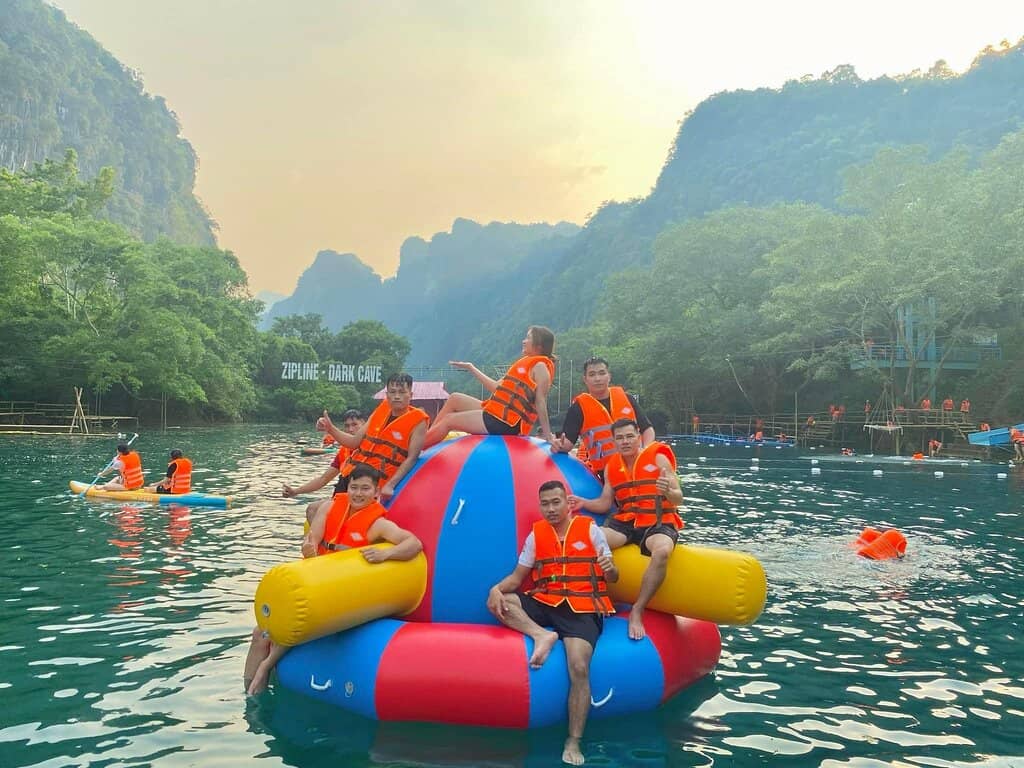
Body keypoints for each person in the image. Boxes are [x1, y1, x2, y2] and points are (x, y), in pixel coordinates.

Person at [244, 464, 423, 695]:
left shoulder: (378, 524)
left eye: (365, 489)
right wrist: (310, 548)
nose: (358, 494)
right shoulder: (329, 507)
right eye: (354, 487)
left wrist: (385, 554)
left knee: (283, 629)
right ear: (347, 488)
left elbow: (413, 544)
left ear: (376, 492)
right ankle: (249, 691)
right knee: (259, 633)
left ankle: (265, 668)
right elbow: (314, 536)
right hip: (319, 580)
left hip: (345, 594)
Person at [487, 480, 616, 767]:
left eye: (556, 502)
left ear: (567, 503)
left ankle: (574, 739)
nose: (550, 509)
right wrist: (497, 588)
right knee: (500, 600)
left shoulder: (590, 530)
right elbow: (518, 577)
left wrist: (611, 570)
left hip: (582, 608)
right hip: (547, 603)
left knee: (579, 666)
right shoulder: (536, 534)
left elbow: (613, 577)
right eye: (545, 503)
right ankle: (540, 635)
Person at [569, 419, 683, 641]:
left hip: (657, 521)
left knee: (661, 551)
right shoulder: (613, 466)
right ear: (614, 441)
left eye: (629, 436)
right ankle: (591, 598)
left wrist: (668, 491)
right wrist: (583, 502)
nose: (625, 441)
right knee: (589, 537)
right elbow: (604, 503)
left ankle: (637, 609)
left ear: (638, 436)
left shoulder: (658, 456)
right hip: (626, 522)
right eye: (619, 438)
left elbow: (679, 498)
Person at [423, 326, 557, 447]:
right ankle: (425, 441)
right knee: (454, 399)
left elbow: (540, 401)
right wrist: (471, 368)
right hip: (498, 414)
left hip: (507, 423)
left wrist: (548, 435)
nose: (523, 341)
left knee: (449, 420)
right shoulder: (523, 364)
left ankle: (416, 449)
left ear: (538, 346)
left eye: (528, 338)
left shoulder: (540, 367)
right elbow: (495, 387)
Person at [319, 375, 428, 501]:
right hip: (352, 477)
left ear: (411, 394)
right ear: (387, 395)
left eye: (402, 392)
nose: (397, 396)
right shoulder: (381, 410)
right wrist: (330, 428)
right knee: (313, 509)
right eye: (392, 392)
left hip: (374, 484)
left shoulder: (419, 421)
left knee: (319, 509)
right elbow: (353, 443)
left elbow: (412, 458)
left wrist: (390, 485)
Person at [552, 356, 654, 480]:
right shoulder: (578, 408)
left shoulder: (627, 398)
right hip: (606, 474)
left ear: (609, 376)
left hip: (637, 465)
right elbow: (567, 443)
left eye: (602, 373)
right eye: (592, 374)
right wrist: (558, 445)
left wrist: (645, 451)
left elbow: (647, 429)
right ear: (585, 379)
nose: (598, 379)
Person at [285, 409, 365, 523]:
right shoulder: (344, 452)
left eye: (355, 425)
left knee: (313, 509)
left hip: (360, 500)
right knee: (312, 509)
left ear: (365, 425)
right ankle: (321, 539)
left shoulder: (372, 447)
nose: (350, 429)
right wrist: (296, 491)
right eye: (347, 426)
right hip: (342, 499)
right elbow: (323, 479)